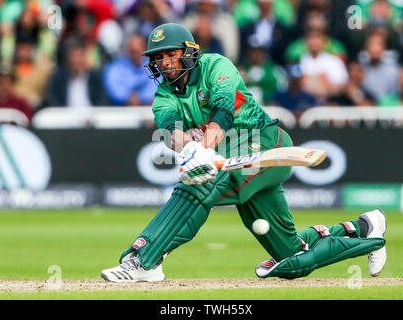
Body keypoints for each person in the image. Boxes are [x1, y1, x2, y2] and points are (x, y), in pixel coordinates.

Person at [100, 23, 387, 282]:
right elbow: (169, 131)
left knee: (197, 185)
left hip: (264, 143)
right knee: (291, 258)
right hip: (235, 159)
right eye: (158, 58)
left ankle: (145, 259)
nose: (164, 63)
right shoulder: (164, 94)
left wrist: (205, 150)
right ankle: (364, 229)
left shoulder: (216, 66)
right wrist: (189, 148)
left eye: (170, 54)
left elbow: (223, 112)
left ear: (188, 52)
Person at [103, 34, 157, 106]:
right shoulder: (115, 66)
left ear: (145, 49)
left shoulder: (154, 66)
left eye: (138, 50)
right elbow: (113, 90)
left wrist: (139, 98)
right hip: (120, 110)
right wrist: (129, 98)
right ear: (127, 49)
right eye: (132, 51)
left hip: (148, 109)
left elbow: (156, 87)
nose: (135, 53)